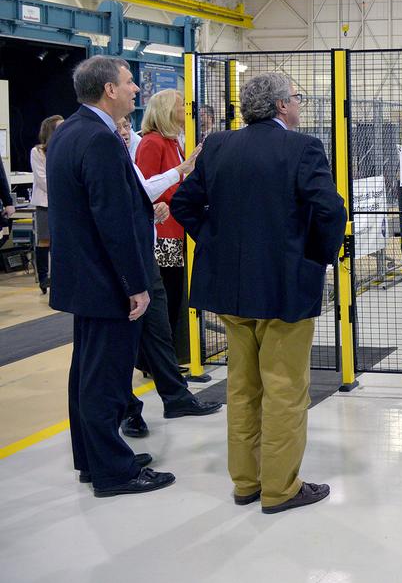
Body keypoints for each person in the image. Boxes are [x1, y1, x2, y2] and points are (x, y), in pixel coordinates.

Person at [172, 73, 345, 514]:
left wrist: (215, 244)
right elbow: (330, 210)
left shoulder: (218, 146)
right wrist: (315, 258)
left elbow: (184, 204)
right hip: (284, 291)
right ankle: (281, 489)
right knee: (285, 388)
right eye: (298, 98)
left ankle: (246, 482)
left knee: (242, 388)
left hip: (231, 291)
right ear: (284, 105)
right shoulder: (302, 147)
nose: (300, 105)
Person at [46, 55, 174, 497]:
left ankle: (93, 458)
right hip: (106, 281)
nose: (137, 89)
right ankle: (114, 472)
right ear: (109, 90)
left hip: (84, 278)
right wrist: (135, 285)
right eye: (129, 82)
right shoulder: (99, 140)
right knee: (105, 379)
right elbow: (111, 221)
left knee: (87, 372)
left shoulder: (70, 132)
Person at [117, 113, 219, 439]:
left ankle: (176, 396)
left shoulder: (138, 148)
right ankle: (127, 409)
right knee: (124, 336)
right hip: (127, 256)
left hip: (148, 247)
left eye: (124, 126)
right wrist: (181, 170)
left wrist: (152, 209)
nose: (123, 131)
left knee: (160, 326)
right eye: (118, 125)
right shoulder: (147, 144)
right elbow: (134, 196)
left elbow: (141, 192)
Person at [136, 89, 199, 373]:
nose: (185, 110)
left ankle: (167, 355)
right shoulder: (152, 143)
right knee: (167, 296)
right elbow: (147, 187)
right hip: (164, 234)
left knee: (174, 296)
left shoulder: (173, 143)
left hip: (177, 229)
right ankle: (155, 359)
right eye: (180, 106)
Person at [30, 115, 62, 294]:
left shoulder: (64, 148)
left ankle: (59, 276)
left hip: (63, 204)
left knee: (61, 241)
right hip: (45, 203)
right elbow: (42, 179)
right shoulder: (38, 152)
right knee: (44, 240)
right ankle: (44, 278)